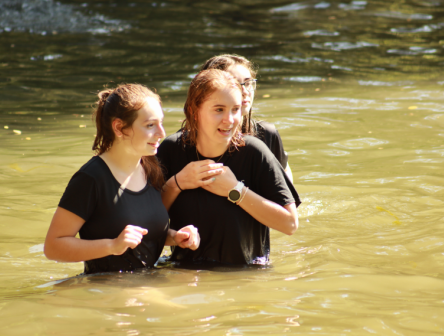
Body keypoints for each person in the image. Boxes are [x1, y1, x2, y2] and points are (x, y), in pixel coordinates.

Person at [44, 84, 200, 274]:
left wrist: (175, 237)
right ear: (119, 128)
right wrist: (111, 246)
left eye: (161, 123)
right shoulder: (91, 178)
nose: (161, 133)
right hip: (107, 291)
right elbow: (53, 247)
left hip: (148, 282)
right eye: (150, 125)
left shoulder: (151, 168)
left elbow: (142, 235)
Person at [157, 69, 300, 266]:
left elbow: (290, 224)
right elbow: (144, 222)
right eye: (219, 109)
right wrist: (176, 184)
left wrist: (235, 191)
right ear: (193, 111)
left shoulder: (254, 152)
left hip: (246, 277)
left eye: (235, 109)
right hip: (185, 277)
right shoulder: (171, 150)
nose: (230, 120)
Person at [199, 54, 293, 182]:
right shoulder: (183, 142)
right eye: (235, 83)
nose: (245, 91)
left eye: (248, 83)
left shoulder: (266, 134)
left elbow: (286, 187)